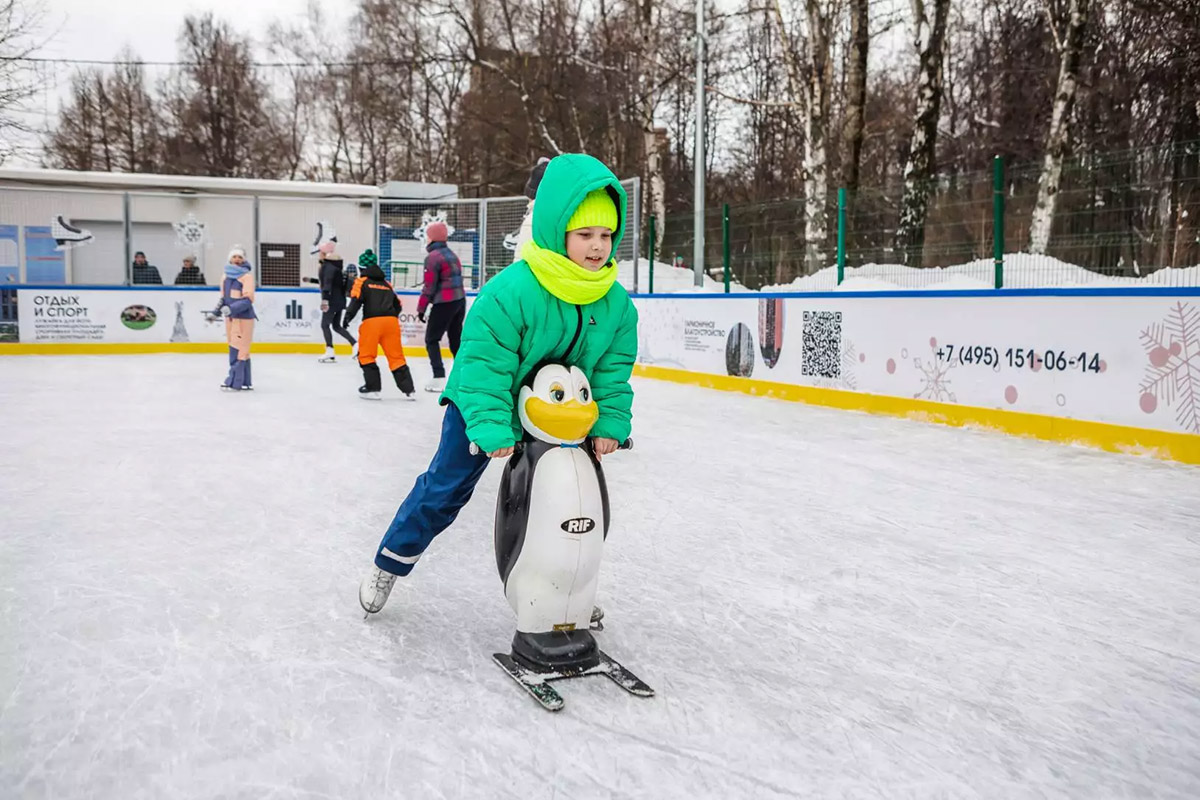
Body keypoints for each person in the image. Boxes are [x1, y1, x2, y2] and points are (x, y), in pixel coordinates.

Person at [358, 153, 638, 615]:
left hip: (559, 407)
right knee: (445, 490)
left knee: (575, 495)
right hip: (486, 401)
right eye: (584, 234)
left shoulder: (616, 305)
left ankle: (565, 589)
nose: (596, 247)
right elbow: (486, 363)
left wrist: (609, 420)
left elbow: (612, 368)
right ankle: (389, 562)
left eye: (606, 235)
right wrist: (490, 426)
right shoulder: (512, 292)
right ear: (556, 230)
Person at [343, 249, 415, 400]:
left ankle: (372, 388)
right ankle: (409, 390)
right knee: (396, 357)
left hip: (372, 322)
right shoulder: (386, 284)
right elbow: (398, 305)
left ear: (361, 268)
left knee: (367, 355)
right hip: (391, 322)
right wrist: (390, 316)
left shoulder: (361, 282)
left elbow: (356, 300)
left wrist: (347, 317)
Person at [416, 220, 465, 393]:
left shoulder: (433, 257)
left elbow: (429, 286)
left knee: (431, 339)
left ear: (432, 238)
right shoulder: (452, 255)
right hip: (459, 301)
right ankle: (462, 377)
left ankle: (438, 377)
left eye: (427, 235)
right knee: (455, 340)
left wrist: (421, 308)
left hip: (444, 302)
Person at [217, 247, 257, 391]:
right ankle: (245, 381)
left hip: (244, 318)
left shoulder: (247, 277)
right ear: (230, 259)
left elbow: (248, 299)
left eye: (240, 257)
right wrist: (216, 312)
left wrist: (232, 309)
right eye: (234, 257)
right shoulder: (225, 277)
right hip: (230, 318)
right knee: (234, 346)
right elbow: (224, 298)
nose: (237, 260)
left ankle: (234, 381)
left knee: (240, 349)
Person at [316, 244, 356, 363]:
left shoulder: (327, 267)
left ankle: (330, 350)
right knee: (336, 326)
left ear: (323, 253)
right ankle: (355, 345)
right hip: (340, 300)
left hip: (331, 300)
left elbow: (327, 285)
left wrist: (325, 301)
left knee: (324, 325)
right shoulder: (336, 267)